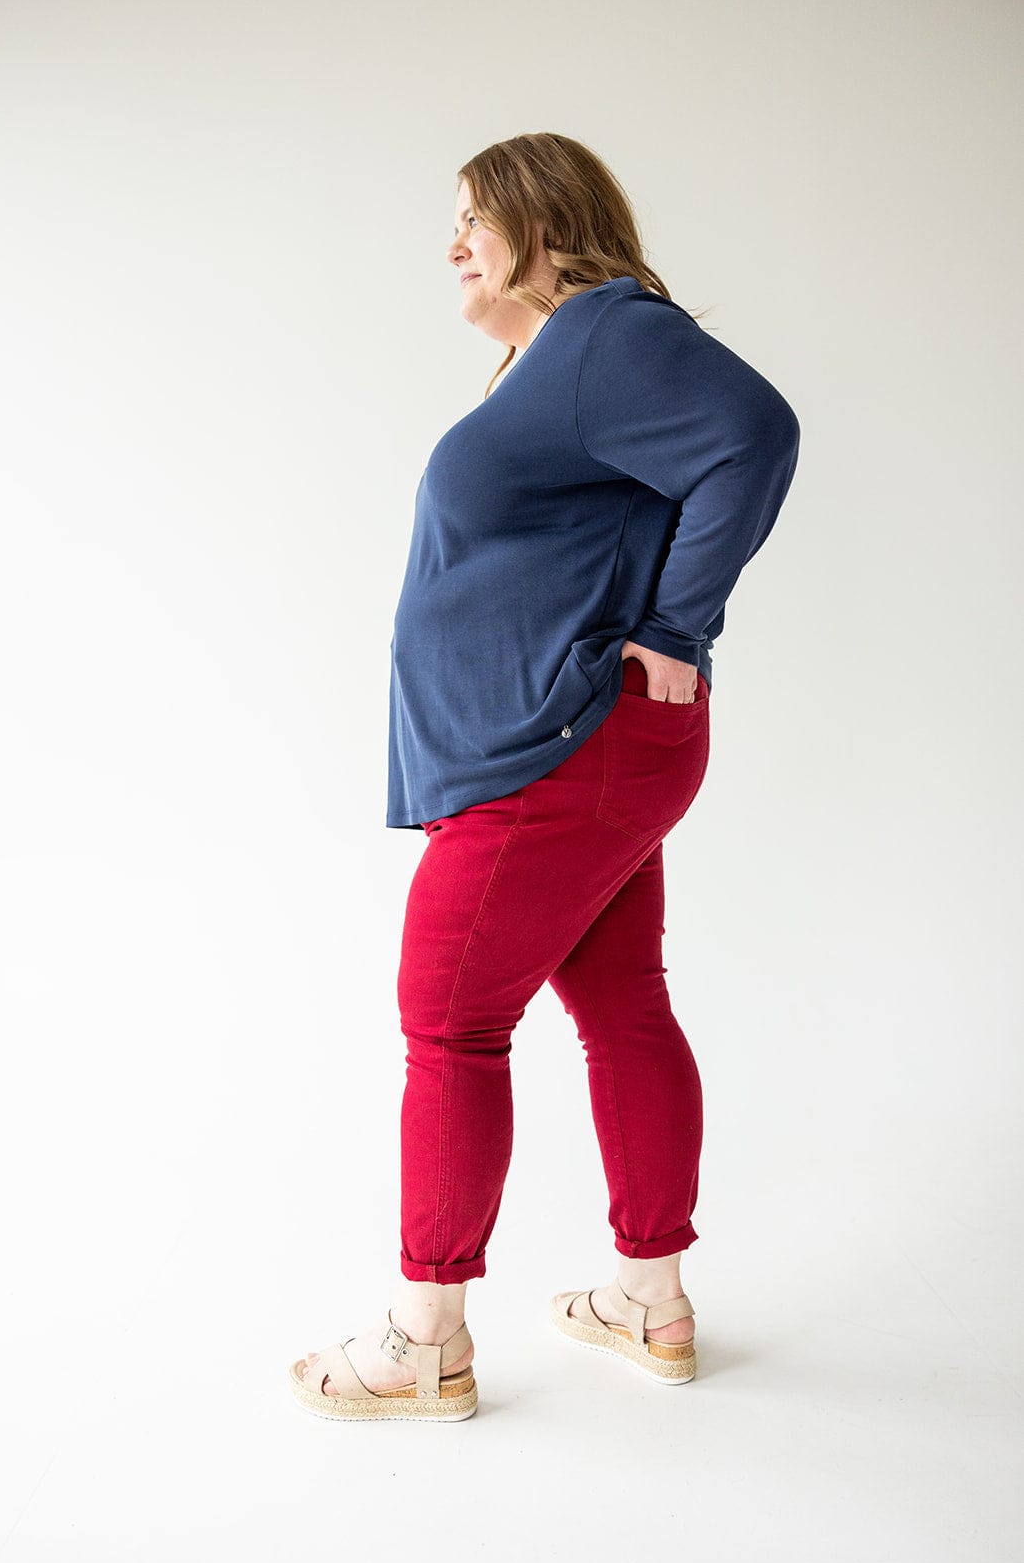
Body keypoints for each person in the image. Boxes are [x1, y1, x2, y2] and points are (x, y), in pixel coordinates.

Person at [290, 132, 801, 1421]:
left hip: (561, 754)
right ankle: (650, 1299)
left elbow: (756, 431)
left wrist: (679, 625)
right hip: (575, 752)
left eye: (472, 217)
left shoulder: (598, 333)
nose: (453, 244)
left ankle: (425, 1341)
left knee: (450, 1021)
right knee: (622, 1001)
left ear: (540, 222)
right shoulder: (546, 363)